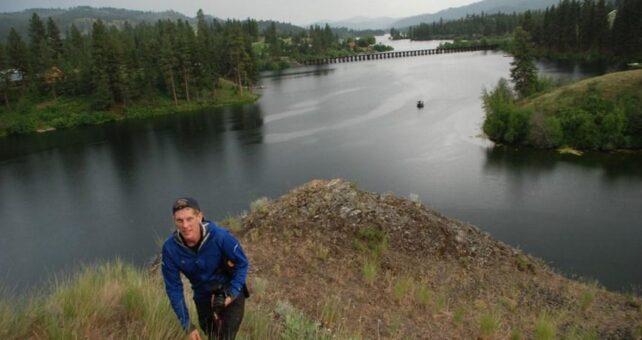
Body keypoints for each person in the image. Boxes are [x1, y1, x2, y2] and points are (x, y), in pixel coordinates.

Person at [162, 197, 249, 340]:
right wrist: (187, 325)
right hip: (202, 295)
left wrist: (232, 293)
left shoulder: (221, 237)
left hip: (229, 289)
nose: (185, 225)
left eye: (189, 219)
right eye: (179, 220)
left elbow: (242, 263)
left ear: (200, 216)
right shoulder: (170, 249)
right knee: (211, 334)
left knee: (226, 336)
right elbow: (173, 288)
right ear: (174, 220)